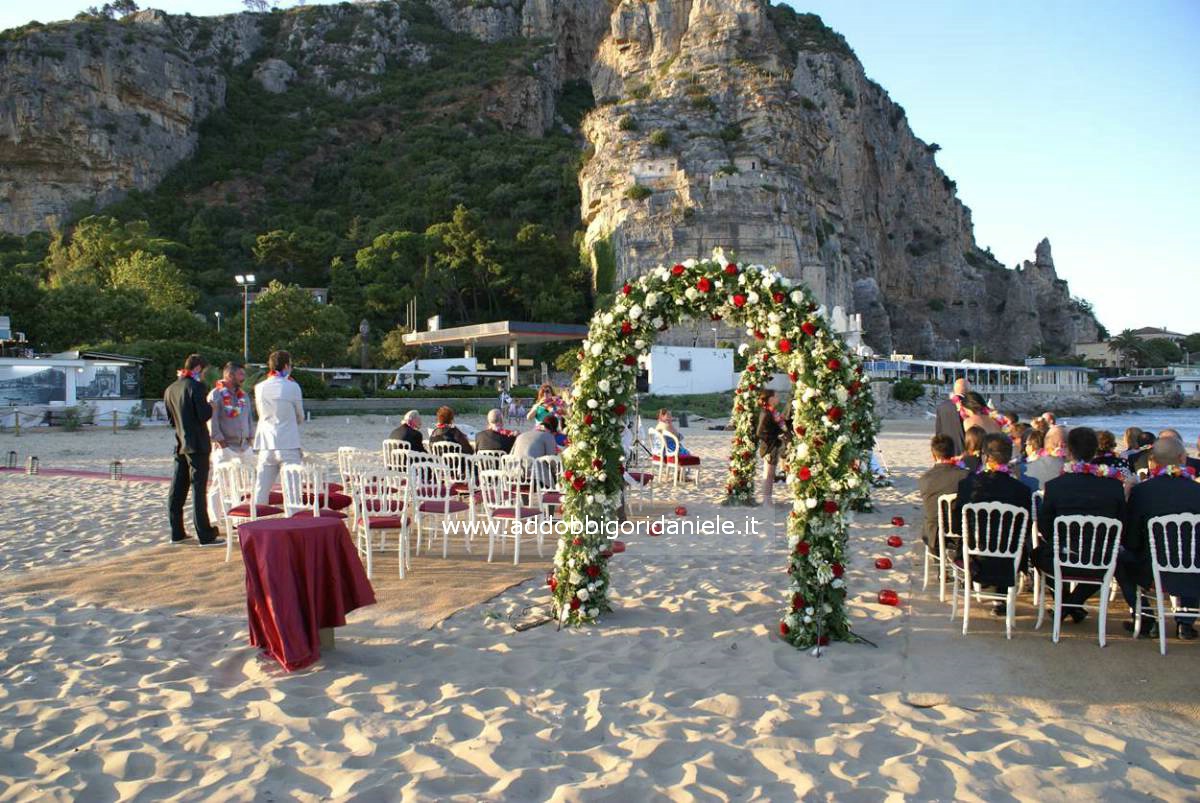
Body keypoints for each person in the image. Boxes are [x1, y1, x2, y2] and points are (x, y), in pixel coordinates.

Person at [1033, 427, 1126, 624]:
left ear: (1069, 451)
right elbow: (1121, 523)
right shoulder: (1114, 486)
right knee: (1114, 560)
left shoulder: (1056, 486)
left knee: (1038, 554)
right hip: (1102, 559)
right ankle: (1072, 604)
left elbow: (1045, 525)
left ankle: (1066, 604)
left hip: (1063, 557)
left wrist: (1060, 543)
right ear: (1094, 452)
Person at [1117, 437, 1200, 640]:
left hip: (1152, 570)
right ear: (1183, 458)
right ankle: (1185, 623)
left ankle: (1146, 620)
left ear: (1152, 460)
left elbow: (1131, 540)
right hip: (1196, 569)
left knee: (1118, 560)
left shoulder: (1141, 492)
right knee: (1192, 553)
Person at [951, 434, 1033, 614]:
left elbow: (957, 525)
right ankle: (1000, 599)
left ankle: (973, 580)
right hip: (1009, 557)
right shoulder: (1021, 490)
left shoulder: (967, 484)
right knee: (1010, 544)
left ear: (985, 456)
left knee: (966, 541)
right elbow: (1025, 528)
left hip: (974, 555)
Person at [164, 354, 222, 546]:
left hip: (180, 442)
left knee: (178, 487)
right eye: (203, 371)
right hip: (197, 443)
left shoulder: (170, 389)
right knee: (198, 489)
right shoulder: (196, 387)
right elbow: (203, 414)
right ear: (198, 368)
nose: (204, 375)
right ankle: (205, 534)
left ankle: (177, 531)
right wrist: (211, 406)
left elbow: (171, 420)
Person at [252, 350, 305, 505]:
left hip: (266, 443)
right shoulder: (292, 386)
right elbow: (300, 415)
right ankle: (292, 521)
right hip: (288, 442)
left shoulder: (259, 387)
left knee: (261, 487)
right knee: (292, 490)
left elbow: (260, 412)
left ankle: (256, 521)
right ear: (286, 365)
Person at [206, 362, 254, 521]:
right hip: (225, 446)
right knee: (220, 483)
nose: (243, 377)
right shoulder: (216, 394)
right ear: (229, 375)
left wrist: (251, 438)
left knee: (242, 484)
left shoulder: (244, 396)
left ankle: (237, 516)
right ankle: (215, 518)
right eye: (240, 374)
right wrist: (221, 442)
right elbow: (211, 420)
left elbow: (249, 418)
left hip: (244, 446)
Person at [917, 434, 968, 554]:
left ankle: (940, 566)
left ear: (933, 455)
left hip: (934, 536)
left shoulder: (925, 479)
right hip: (962, 533)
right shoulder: (966, 476)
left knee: (929, 519)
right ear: (953, 453)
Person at [756, 389, 787, 505]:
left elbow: (776, 427)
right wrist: (775, 437)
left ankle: (767, 499)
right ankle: (766, 500)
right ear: (770, 399)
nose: (778, 398)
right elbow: (760, 432)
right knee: (768, 474)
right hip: (769, 446)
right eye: (776, 396)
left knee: (770, 473)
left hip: (773, 445)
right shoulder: (766, 413)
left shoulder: (772, 412)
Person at [934, 378, 969, 456]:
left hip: (946, 448)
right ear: (967, 390)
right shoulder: (968, 406)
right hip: (963, 449)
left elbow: (939, 430)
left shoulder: (942, 406)